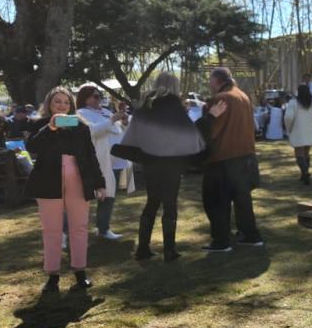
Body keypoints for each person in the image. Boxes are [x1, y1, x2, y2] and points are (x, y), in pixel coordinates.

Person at [114, 72, 206, 262]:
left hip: (150, 163)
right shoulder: (175, 106)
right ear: (174, 85)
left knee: (152, 202)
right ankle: (169, 251)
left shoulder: (145, 106)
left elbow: (135, 132)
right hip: (172, 164)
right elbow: (189, 133)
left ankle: (142, 249)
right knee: (169, 205)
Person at [25, 87, 106, 292]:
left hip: (78, 180)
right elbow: (32, 147)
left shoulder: (81, 126)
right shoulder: (39, 124)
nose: (61, 106)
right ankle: (52, 275)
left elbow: (90, 156)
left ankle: (80, 271)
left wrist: (99, 183)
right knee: (51, 229)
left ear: (72, 106)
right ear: (49, 105)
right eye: (57, 102)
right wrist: (50, 129)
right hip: (48, 182)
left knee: (79, 227)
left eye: (66, 102)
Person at [197, 67, 263, 253]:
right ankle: (250, 235)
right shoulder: (243, 96)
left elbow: (210, 132)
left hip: (222, 159)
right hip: (245, 157)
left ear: (217, 80)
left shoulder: (221, 99)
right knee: (243, 200)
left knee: (216, 201)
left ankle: (221, 241)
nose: (209, 84)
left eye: (210, 80)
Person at [76, 85, 127, 240]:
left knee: (109, 196)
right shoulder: (81, 114)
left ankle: (103, 229)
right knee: (82, 198)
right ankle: (70, 231)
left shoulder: (105, 111)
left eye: (100, 96)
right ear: (85, 98)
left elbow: (118, 130)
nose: (99, 99)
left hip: (116, 162)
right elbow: (92, 132)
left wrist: (123, 122)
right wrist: (113, 119)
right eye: (95, 96)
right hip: (97, 162)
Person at [284, 84, 312, 185]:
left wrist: (288, 128)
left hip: (297, 131)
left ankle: (305, 172)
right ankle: (304, 173)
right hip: (310, 130)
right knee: (306, 152)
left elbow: (288, 117)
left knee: (299, 153)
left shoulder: (293, 103)